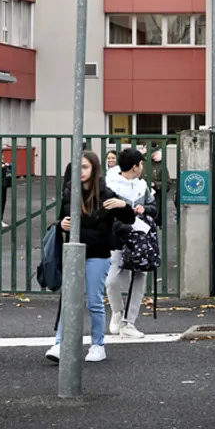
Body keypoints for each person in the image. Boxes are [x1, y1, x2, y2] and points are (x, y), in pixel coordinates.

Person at [45, 151, 134, 365]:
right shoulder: (69, 191)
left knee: (94, 301)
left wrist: (123, 205)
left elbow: (128, 218)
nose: (81, 172)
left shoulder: (105, 193)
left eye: (85, 167)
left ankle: (98, 345)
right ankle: (60, 343)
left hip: (98, 253)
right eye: (78, 167)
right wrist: (61, 225)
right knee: (68, 301)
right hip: (73, 254)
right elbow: (60, 219)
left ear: (94, 169)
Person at [105, 148, 156, 339]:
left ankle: (130, 322)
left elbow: (153, 207)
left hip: (140, 239)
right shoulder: (110, 185)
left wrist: (146, 208)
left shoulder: (143, 186)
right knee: (111, 281)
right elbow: (105, 213)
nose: (142, 167)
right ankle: (117, 312)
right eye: (141, 164)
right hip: (118, 240)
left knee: (139, 277)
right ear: (135, 166)